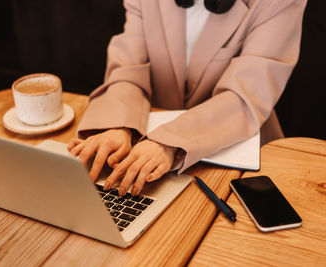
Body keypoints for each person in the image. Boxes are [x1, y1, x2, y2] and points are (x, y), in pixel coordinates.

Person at [68, 0, 307, 196]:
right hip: (147, 153)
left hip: (238, 154)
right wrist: (118, 126)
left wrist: (169, 142)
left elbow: (244, 96)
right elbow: (129, 67)